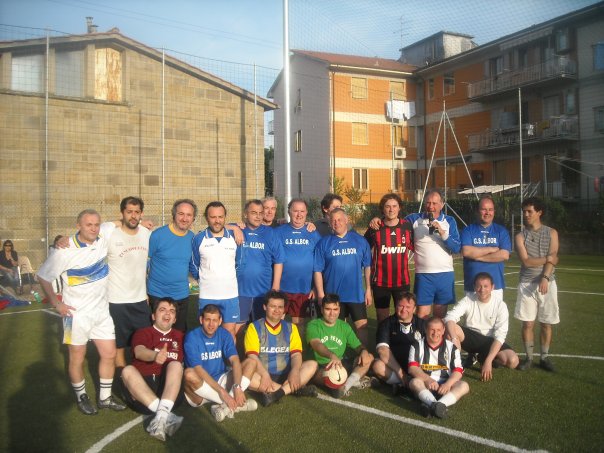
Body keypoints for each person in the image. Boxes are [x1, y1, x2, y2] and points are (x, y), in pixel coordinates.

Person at [36, 209, 126, 415]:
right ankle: (81, 397)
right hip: (74, 316)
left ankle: (105, 398)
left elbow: (120, 222)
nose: (93, 228)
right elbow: (43, 276)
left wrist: (142, 222)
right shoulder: (64, 250)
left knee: (109, 354)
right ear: (78, 226)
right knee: (76, 356)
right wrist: (56, 303)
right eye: (88, 225)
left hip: (102, 313)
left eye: (96, 224)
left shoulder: (103, 235)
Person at [120, 298, 185, 441]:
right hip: (142, 393)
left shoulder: (181, 337)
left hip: (170, 392)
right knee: (127, 370)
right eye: (162, 310)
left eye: (172, 311)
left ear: (175, 319)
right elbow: (139, 351)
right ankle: (165, 415)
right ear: (153, 316)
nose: (167, 313)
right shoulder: (143, 333)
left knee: (175, 365)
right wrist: (155, 355)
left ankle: (160, 418)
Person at [183, 304, 257, 422]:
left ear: (220, 321)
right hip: (200, 388)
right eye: (207, 320)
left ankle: (226, 406)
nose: (211, 324)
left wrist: (237, 387)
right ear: (201, 320)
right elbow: (198, 369)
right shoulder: (192, 337)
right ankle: (233, 404)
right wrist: (223, 393)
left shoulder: (224, 334)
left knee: (251, 362)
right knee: (189, 374)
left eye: (214, 320)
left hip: (220, 379)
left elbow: (235, 361)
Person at [243, 290, 318, 406]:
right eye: (273, 306)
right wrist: (265, 375)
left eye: (280, 307)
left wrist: (294, 371)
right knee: (244, 375)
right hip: (262, 375)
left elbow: (296, 354)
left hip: (286, 374)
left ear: (284, 309)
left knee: (312, 365)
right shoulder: (254, 327)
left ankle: (276, 393)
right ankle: (294, 390)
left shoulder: (291, 327)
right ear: (265, 307)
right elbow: (252, 356)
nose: (277, 310)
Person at [444, 272, 519, 381]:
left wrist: (488, 361)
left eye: (485, 286)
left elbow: (500, 336)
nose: (482, 290)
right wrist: (454, 338)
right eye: (479, 286)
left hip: (489, 341)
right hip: (470, 338)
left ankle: (483, 358)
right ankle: (456, 365)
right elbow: (450, 317)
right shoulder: (468, 300)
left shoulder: (500, 305)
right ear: (474, 287)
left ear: (492, 287)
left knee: (513, 361)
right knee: (451, 328)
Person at [313, 208, 372, 346]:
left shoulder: (360, 241)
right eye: (333, 220)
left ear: (346, 220)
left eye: (339, 219)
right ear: (329, 223)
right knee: (336, 328)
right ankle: (339, 355)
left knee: (362, 326)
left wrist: (368, 289)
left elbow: (368, 266)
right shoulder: (324, 243)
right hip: (334, 295)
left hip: (355, 294)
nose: (336, 223)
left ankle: (363, 353)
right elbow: (317, 270)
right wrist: (320, 294)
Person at [514, 197, 559, 372]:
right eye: (524, 211)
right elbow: (526, 261)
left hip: (547, 283)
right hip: (526, 284)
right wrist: (548, 258)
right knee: (528, 324)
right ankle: (529, 358)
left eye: (529, 211)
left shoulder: (552, 233)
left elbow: (553, 257)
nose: (526, 214)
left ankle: (544, 358)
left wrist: (545, 277)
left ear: (539, 212)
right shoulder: (520, 236)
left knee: (546, 323)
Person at [107, 196, 152, 368]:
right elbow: (89, 234)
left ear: (141, 214)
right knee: (119, 346)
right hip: (117, 301)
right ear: (122, 213)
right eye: (129, 212)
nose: (133, 216)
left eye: (137, 212)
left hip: (140, 300)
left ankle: (142, 376)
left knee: (143, 342)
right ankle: (122, 378)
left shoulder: (146, 234)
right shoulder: (111, 235)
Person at [404, 189, 461, 319]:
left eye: (434, 203)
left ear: (442, 204)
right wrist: (379, 219)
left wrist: (442, 233)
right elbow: (395, 224)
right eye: (428, 203)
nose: (431, 206)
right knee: (421, 315)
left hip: (445, 274)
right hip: (423, 275)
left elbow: (456, 248)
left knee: (439, 316)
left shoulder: (449, 221)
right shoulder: (414, 219)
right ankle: (419, 333)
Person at [306, 294, 374, 398]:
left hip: (340, 364)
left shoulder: (344, 326)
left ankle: (346, 386)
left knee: (369, 357)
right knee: (327, 376)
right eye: (328, 309)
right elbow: (317, 344)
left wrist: (363, 351)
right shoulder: (313, 325)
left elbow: (358, 346)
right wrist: (331, 355)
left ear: (339, 310)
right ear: (322, 309)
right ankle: (351, 381)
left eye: (335, 309)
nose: (332, 313)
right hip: (320, 366)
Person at [190, 201, 239, 339]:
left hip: (230, 295)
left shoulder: (235, 237)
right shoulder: (198, 238)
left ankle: (228, 355)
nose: (217, 221)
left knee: (229, 333)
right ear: (207, 218)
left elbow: (240, 264)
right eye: (213, 217)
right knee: (208, 333)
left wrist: (227, 278)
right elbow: (193, 264)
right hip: (207, 296)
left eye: (220, 217)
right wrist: (203, 279)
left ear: (225, 217)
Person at [148, 199, 197, 332]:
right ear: (173, 214)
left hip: (181, 295)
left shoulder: (192, 238)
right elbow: (144, 263)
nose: (184, 218)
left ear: (193, 219)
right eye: (181, 214)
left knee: (178, 335)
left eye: (189, 215)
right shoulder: (157, 235)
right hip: (157, 294)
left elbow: (192, 266)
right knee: (157, 335)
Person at [364, 194, 414, 324]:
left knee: (403, 316)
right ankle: (384, 337)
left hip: (402, 282)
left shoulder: (407, 227)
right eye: (387, 206)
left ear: (399, 208)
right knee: (382, 319)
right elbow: (363, 250)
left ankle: (401, 337)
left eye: (394, 206)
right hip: (381, 283)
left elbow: (418, 248)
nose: (391, 209)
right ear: (382, 209)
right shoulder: (375, 228)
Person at [274, 199, 322, 333]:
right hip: (282, 287)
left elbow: (319, 262)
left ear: (306, 213)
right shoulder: (278, 232)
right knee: (276, 321)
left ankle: (297, 346)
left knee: (298, 323)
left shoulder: (313, 233)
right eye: (295, 211)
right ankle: (279, 345)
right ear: (289, 211)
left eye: (302, 211)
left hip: (303, 287)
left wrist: (315, 287)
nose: (299, 214)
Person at [408, 317, 469, 419]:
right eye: (432, 330)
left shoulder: (452, 347)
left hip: (446, 385)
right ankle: (438, 406)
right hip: (425, 384)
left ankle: (432, 405)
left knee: (464, 386)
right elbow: (412, 368)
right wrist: (427, 379)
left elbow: (458, 371)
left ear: (444, 330)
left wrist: (448, 384)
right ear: (426, 330)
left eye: (439, 330)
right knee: (414, 382)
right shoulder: (417, 345)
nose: (435, 333)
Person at [236, 200, 284, 329]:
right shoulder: (238, 230)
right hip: (240, 291)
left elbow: (279, 261)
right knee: (238, 329)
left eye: (260, 213)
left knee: (262, 329)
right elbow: (219, 227)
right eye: (253, 213)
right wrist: (233, 227)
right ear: (245, 214)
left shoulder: (270, 233)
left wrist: (275, 286)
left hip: (263, 291)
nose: (258, 216)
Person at [372, 292, 426, 393]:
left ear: (414, 309)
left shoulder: (422, 324)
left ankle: (402, 386)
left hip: (417, 367)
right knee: (377, 366)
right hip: (395, 367)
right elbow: (382, 351)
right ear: (396, 306)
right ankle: (407, 384)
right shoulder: (386, 324)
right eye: (400, 306)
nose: (404, 310)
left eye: (408, 307)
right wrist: (401, 373)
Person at [461, 196, 511, 300]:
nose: (487, 213)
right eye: (484, 209)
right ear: (477, 211)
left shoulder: (501, 231)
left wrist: (477, 256)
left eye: (490, 209)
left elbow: (504, 255)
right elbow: (466, 252)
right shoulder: (468, 230)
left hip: (495, 286)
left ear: (494, 211)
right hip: (472, 286)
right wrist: (491, 249)